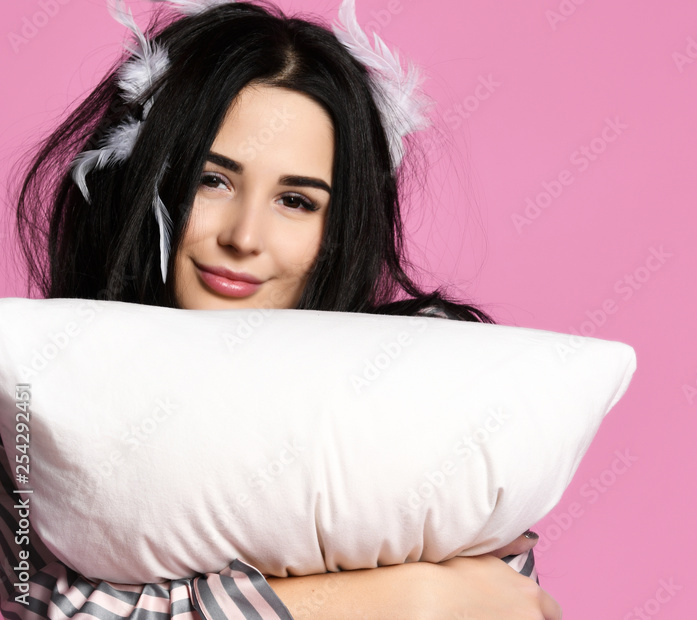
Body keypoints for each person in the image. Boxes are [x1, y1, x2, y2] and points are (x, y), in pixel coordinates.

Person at [0, 0, 562, 618]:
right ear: (142, 178)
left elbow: (504, 603)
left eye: (296, 200)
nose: (245, 238)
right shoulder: (40, 394)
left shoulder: (424, 385)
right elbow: (52, 607)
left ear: (338, 226)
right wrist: (404, 595)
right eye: (211, 181)